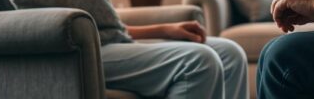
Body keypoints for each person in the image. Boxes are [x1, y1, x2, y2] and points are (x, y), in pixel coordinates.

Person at [103, 20, 248, 98]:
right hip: (89, 49)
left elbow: (112, 26)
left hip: (118, 39)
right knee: (197, 60)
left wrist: (165, 30)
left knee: (230, 54)